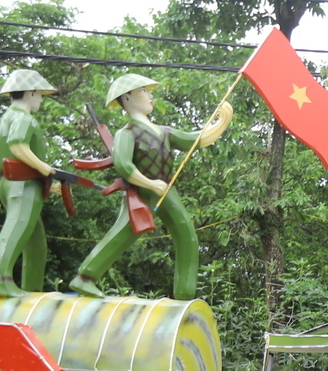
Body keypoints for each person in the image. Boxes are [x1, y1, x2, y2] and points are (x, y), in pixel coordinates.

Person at [68, 74, 231, 301]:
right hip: (143, 192)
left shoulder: (164, 132)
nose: (150, 95)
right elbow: (124, 166)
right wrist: (149, 184)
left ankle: (185, 294)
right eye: (144, 91)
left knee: (188, 235)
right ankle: (85, 277)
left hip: (166, 189)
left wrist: (222, 122)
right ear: (127, 97)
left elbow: (194, 139)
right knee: (122, 234)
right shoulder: (127, 133)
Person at [0, 69, 61, 296]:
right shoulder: (23, 118)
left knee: (35, 239)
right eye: (40, 95)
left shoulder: (8, 116)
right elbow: (17, 145)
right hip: (23, 184)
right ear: (31, 92)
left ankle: (33, 286)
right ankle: (2, 280)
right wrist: (45, 169)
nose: (41, 99)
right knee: (16, 228)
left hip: (11, 181)